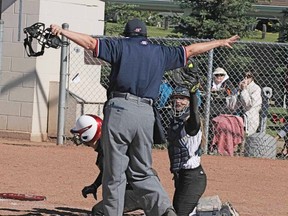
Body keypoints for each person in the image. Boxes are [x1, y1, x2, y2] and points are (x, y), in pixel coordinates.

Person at [50, 18, 239, 216]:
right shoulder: (160, 51)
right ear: (145, 35)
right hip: (146, 114)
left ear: (127, 34)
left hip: (120, 109)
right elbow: (191, 50)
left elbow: (90, 43)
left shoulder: (120, 46)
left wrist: (63, 32)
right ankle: (165, 210)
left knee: (115, 172)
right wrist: (219, 42)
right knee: (142, 171)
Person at [70, 114, 143, 216]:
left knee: (98, 211)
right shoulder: (107, 144)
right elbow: (108, 170)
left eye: (80, 133)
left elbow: (112, 176)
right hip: (140, 186)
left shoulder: (106, 150)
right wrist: (95, 185)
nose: (77, 137)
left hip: (138, 191)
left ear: (89, 133)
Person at [167, 85, 207, 216]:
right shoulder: (175, 123)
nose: (178, 101)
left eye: (183, 98)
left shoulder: (191, 124)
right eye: (176, 98)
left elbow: (194, 113)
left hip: (193, 178)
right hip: (182, 176)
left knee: (181, 213)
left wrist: (193, 92)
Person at [238, 71, 262, 136]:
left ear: (252, 78)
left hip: (250, 119)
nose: (245, 78)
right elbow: (232, 105)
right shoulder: (240, 86)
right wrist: (238, 91)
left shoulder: (256, 88)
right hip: (237, 116)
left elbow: (249, 105)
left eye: (248, 77)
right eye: (243, 76)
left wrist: (244, 90)